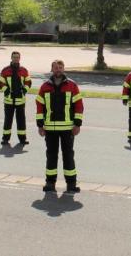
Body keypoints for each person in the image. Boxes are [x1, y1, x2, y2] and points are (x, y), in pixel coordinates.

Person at [36, 60, 84, 193]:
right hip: (50, 129)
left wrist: (77, 124)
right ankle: (50, 183)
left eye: (60, 67)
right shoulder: (44, 86)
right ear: (51, 69)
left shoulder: (72, 85)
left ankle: (71, 184)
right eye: (56, 67)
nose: (58, 70)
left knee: (68, 156)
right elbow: (40, 107)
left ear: (64, 69)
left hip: (68, 129)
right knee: (51, 156)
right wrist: (40, 125)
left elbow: (79, 105)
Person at [0, 51, 32, 146]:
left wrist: (24, 90)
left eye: (17, 57)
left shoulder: (24, 70)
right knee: (8, 120)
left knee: (21, 120)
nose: (16, 59)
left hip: (20, 101)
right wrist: (6, 90)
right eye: (14, 57)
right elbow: (0, 82)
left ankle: (22, 139)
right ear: (11, 58)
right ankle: (5, 139)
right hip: (9, 100)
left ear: (19, 58)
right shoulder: (5, 70)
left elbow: (28, 82)